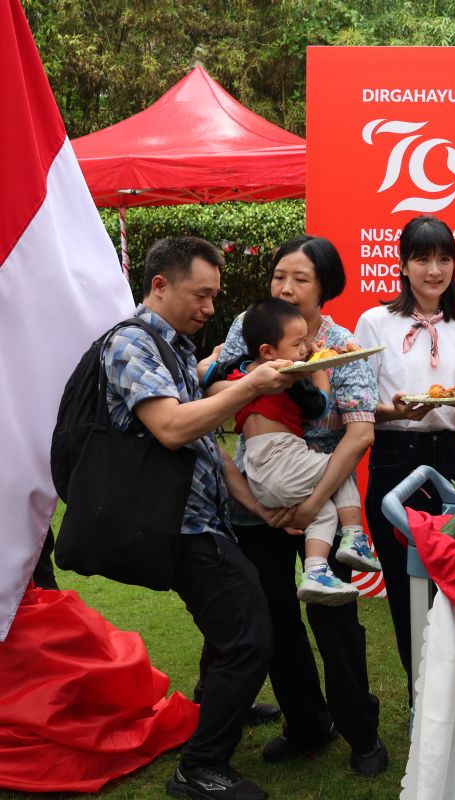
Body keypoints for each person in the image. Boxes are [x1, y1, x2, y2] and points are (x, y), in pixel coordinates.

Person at [102, 236, 296, 800]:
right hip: (176, 524)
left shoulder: (179, 347)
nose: (212, 308)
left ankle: (215, 704)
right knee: (249, 636)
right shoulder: (130, 345)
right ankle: (201, 767)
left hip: (208, 516)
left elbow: (206, 443)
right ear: (159, 286)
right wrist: (250, 388)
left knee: (234, 620)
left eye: (214, 296)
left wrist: (254, 506)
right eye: (203, 295)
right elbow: (172, 427)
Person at [217, 235, 388, 777]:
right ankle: (307, 724)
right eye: (278, 277)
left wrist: (311, 503)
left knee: (335, 620)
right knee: (273, 623)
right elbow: (218, 385)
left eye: (300, 279)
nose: (285, 288)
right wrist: (261, 506)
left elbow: (359, 433)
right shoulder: (253, 325)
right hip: (258, 501)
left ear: (326, 287)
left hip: (323, 495)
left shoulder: (341, 345)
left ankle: (361, 733)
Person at [355, 215, 455, 706]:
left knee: (454, 582)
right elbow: (362, 401)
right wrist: (395, 409)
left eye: (444, 258)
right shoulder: (375, 321)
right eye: (422, 258)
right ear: (403, 264)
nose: (434, 269)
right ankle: (420, 699)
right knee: (407, 584)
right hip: (394, 457)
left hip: (449, 459)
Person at [210, 298, 381, 606]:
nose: (305, 349)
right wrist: (317, 369)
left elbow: (208, 379)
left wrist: (208, 363)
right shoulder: (286, 378)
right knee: (338, 470)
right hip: (282, 457)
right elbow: (319, 406)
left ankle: (315, 572)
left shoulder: (239, 373)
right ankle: (355, 537)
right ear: (268, 351)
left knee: (325, 512)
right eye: (298, 343)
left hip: (259, 475)